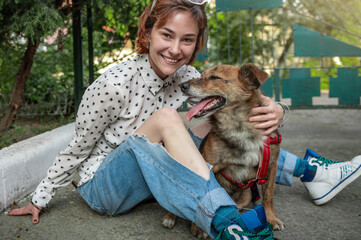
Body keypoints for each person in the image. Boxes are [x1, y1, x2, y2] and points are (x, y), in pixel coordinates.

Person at [8, 1, 280, 239]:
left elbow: (239, 102)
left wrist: (277, 111)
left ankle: (307, 168)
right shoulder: (113, 85)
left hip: (148, 181)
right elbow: (77, 147)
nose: (175, 49)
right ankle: (227, 221)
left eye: (187, 39)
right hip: (103, 187)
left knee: (218, 118)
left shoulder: (187, 78)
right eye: (167, 35)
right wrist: (39, 198)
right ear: (148, 33)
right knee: (168, 118)